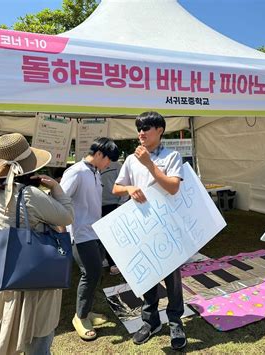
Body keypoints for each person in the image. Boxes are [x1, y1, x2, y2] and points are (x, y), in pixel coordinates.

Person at [0, 133, 74, 354]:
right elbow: (66, 217)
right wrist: (56, 188)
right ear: (30, 167)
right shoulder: (30, 195)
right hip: (34, 281)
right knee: (37, 343)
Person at [112, 111, 187, 350]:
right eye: (139, 129)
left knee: (172, 277)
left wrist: (149, 164)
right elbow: (116, 188)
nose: (141, 133)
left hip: (166, 223)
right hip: (141, 224)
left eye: (147, 128)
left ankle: (175, 321)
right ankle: (150, 321)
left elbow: (173, 187)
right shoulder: (130, 159)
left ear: (160, 131)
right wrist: (130, 188)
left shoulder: (172, 155)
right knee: (146, 273)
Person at [60, 137, 119, 341]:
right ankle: (80, 316)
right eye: (108, 160)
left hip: (95, 231)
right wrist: (63, 230)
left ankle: (87, 311)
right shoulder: (76, 172)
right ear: (100, 154)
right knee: (90, 273)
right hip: (79, 233)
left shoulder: (95, 172)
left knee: (97, 274)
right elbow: (60, 199)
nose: (109, 165)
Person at [100, 160, 124, 275]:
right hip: (100, 206)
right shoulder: (95, 166)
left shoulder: (117, 166)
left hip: (115, 205)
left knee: (116, 236)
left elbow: (125, 185)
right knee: (104, 236)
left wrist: (121, 205)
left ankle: (116, 263)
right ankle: (109, 260)